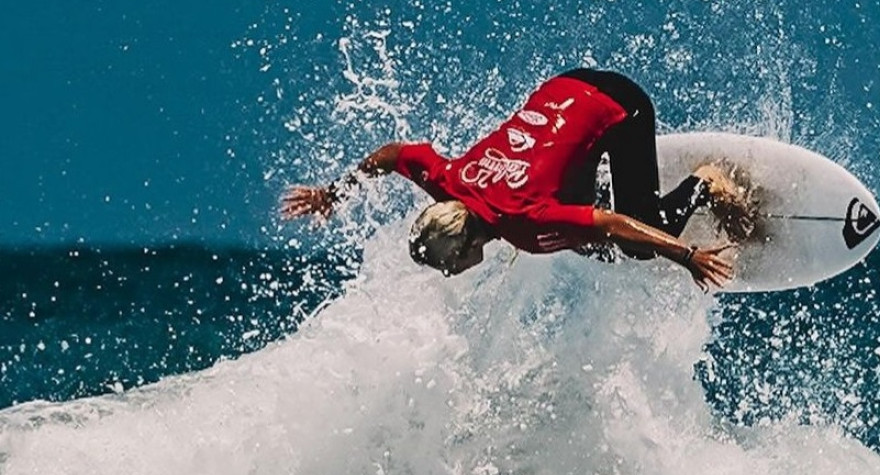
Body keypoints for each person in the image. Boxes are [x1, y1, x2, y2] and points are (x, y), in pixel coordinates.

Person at [280, 69, 752, 290]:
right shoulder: (449, 183)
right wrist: (331, 195)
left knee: (636, 245)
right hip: (566, 85)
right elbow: (394, 154)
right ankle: (610, 175)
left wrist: (687, 256)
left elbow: (610, 223)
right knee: (584, 241)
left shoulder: (525, 224)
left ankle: (706, 184)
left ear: (466, 248)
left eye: (449, 264)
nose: (450, 273)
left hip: (621, 106)